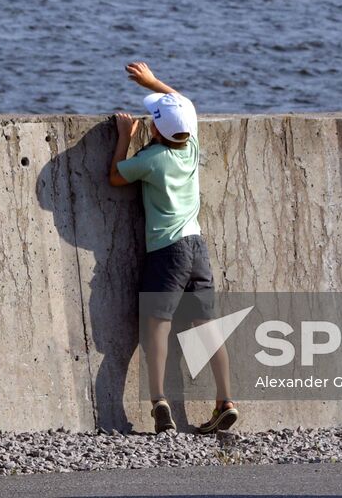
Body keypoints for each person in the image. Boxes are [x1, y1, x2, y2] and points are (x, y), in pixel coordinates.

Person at [108, 61, 238, 435]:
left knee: (156, 327)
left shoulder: (151, 160)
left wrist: (123, 134)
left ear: (154, 129)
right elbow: (182, 102)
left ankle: (159, 401)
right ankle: (226, 400)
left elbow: (116, 175)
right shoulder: (190, 145)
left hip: (166, 251)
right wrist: (153, 82)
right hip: (198, 248)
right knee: (208, 328)